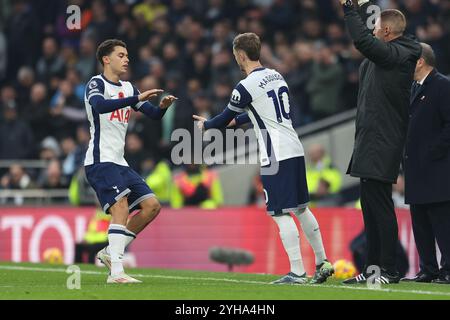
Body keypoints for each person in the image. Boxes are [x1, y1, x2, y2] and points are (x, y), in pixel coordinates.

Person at [193, 33, 334, 285]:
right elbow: (261, 111)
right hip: (294, 147)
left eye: (236, 55)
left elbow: (223, 118)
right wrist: (236, 121)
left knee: (280, 212)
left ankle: (298, 272)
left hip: (275, 152)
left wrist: (208, 125)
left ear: (241, 55)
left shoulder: (244, 86)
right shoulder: (276, 75)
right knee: (301, 208)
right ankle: (323, 262)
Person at [339, 0, 422, 284]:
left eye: (376, 28)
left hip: (382, 141)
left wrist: (350, 9)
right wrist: (364, 8)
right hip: (369, 140)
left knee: (381, 208)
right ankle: (373, 269)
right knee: (370, 208)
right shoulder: (383, 56)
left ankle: (388, 269)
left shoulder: (402, 53)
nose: (372, 32)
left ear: (386, 32)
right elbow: (369, 44)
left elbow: (364, 42)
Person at [84, 39, 177, 284]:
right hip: (100, 159)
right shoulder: (96, 83)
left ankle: (108, 252)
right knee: (121, 206)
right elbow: (100, 106)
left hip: (119, 162)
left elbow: (153, 115)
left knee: (152, 206)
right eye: (121, 55)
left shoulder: (128, 87)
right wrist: (134, 98)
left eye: (127, 55)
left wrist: (163, 107)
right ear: (106, 59)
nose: (127, 59)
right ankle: (116, 272)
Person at [402, 43, 450, 284]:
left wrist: (433, 152)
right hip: (415, 169)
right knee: (420, 223)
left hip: (437, 169)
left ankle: (448, 270)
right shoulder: (412, 87)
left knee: (442, 223)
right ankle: (428, 269)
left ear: (420, 61)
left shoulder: (443, 85)